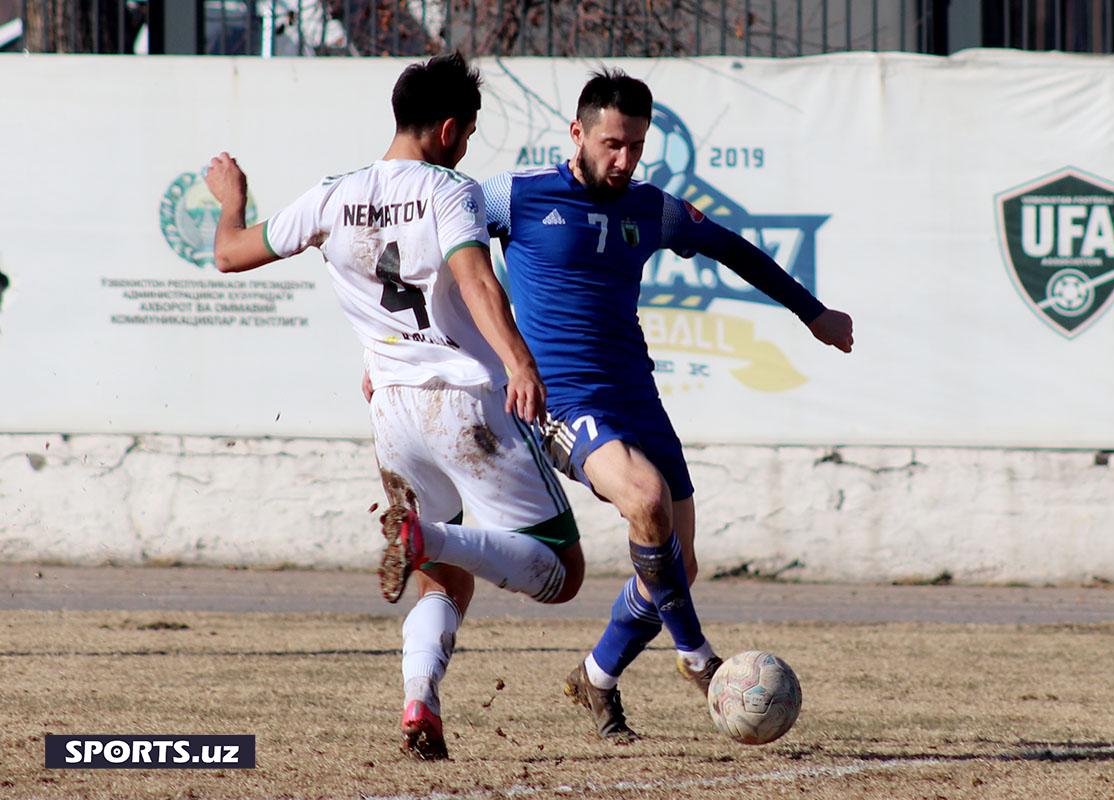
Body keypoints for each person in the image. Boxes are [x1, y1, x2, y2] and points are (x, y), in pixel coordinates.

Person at [202, 53, 585, 761]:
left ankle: (419, 702)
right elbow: (476, 282)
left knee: (445, 581)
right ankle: (427, 539)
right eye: (467, 133)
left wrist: (232, 198)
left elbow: (228, 254)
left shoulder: (331, 195)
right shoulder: (449, 188)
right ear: (447, 130)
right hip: (468, 404)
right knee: (561, 573)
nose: (466, 147)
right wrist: (520, 364)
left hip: (393, 415)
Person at [480, 69, 854, 742]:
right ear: (577, 134)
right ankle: (699, 659)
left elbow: (733, 249)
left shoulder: (651, 208)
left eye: (636, 145)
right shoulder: (516, 195)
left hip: (637, 394)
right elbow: (446, 249)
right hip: (564, 401)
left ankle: (595, 679)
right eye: (611, 144)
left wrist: (813, 312)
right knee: (646, 503)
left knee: (677, 565)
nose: (623, 160)